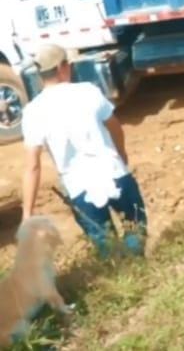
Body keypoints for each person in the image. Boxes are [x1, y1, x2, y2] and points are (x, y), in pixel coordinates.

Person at [21, 44, 147, 258]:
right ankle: (138, 264)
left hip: (79, 188)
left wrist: (27, 213)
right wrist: (121, 154)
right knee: (135, 227)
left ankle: (122, 272)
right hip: (114, 173)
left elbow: (32, 166)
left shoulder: (33, 112)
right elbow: (115, 127)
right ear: (62, 68)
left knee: (106, 245)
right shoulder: (89, 91)